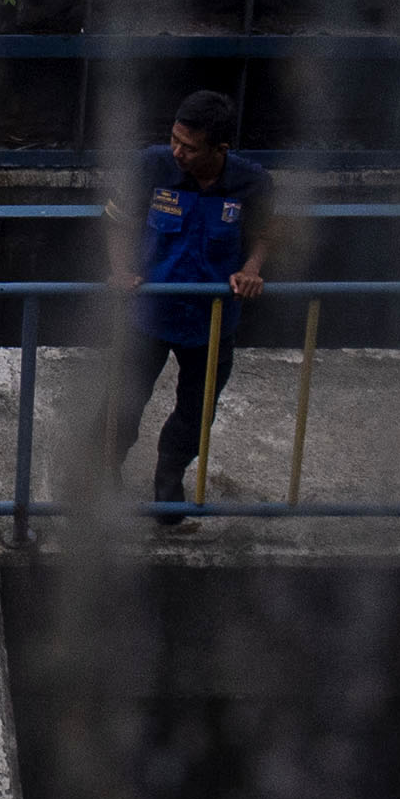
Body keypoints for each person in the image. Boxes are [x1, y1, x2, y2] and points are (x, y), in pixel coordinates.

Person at [107, 90, 272, 515]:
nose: (178, 152)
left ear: (220, 149)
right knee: (122, 402)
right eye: (175, 140)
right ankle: (104, 476)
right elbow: (116, 222)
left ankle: (168, 479)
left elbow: (265, 234)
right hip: (150, 313)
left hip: (212, 321)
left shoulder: (251, 182)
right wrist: (121, 268)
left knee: (196, 414)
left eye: (190, 147)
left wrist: (252, 268)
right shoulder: (151, 165)